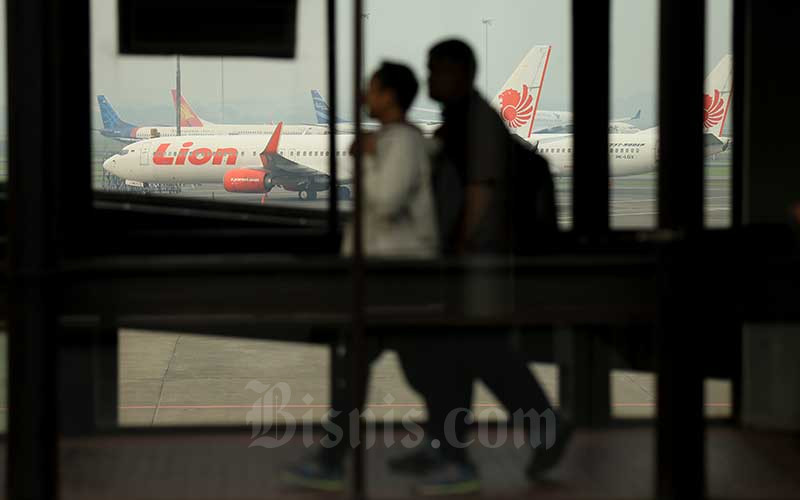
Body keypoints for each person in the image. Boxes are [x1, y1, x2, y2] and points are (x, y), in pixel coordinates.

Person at [385, 39, 573, 495]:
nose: (430, 79)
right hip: (469, 267)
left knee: (477, 356)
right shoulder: (458, 121)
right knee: (468, 358)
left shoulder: (477, 123)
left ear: (463, 74)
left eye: (438, 70)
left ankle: (465, 450)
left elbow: (480, 193)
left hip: (477, 267)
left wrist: (456, 251)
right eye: (428, 70)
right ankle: (450, 446)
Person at [283, 61, 438, 491]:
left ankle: (337, 460)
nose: (364, 95)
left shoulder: (401, 142)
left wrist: (363, 160)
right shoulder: (391, 140)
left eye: (372, 88)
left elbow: (386, 201)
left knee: (384, 370)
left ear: (390, 95)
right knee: (372, 369)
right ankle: (336, 458)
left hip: (397, 273)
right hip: (384, 273)